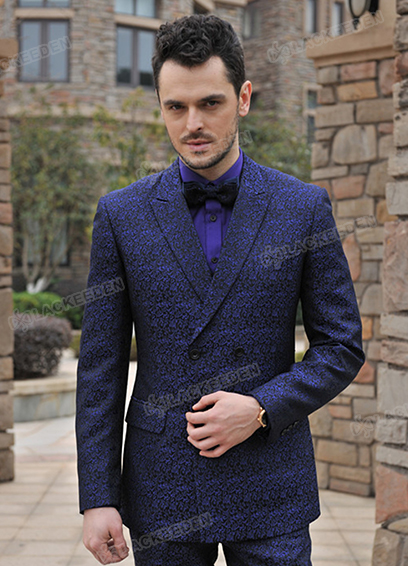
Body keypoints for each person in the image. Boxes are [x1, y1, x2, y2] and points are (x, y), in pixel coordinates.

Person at [76, 13, 365, 566]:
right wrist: (98, 497)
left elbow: (341, 346)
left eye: (210, 103)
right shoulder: (120, 215)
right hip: (163, 486)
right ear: (160, 106)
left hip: (270, 484)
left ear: (244, 98)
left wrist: (260, 407)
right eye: (176, 107)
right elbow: (99, 370)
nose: (193, 124)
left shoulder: (302, 207)